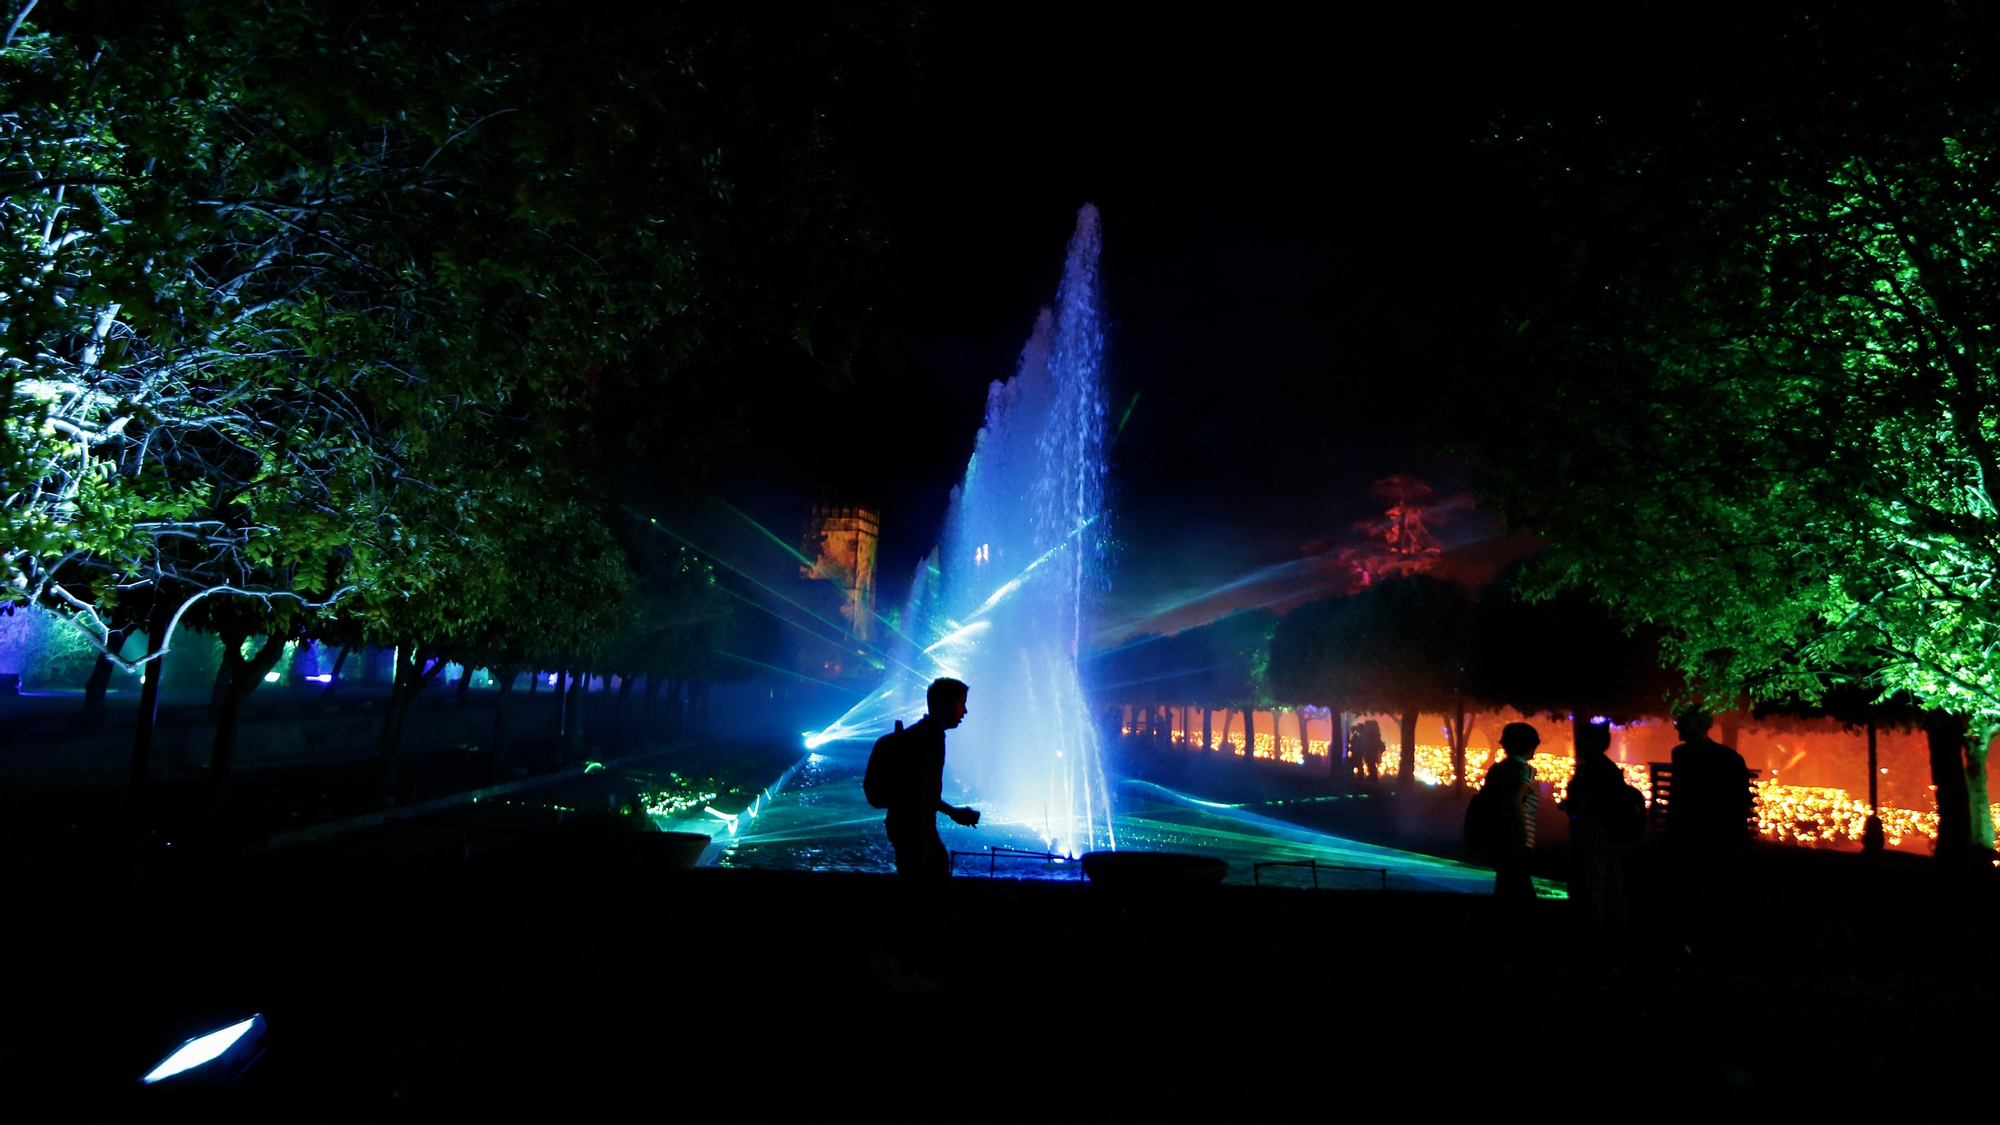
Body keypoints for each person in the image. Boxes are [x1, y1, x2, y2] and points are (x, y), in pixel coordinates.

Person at [1665, 709, 1751, 952]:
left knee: (1706, 891)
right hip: (1697, 835)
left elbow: (1735, 801)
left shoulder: (1722, 759)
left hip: (1712, 836)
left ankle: (1705, 942)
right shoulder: (1686, 754)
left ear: (1699, 726)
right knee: (1696, 891)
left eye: (1682, 723)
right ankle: (1699, 941)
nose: (1678, 728)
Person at [881, 677, 981, 879]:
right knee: (929, 894)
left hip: (911, 829)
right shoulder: (929, 739)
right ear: (945, 706)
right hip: (916, 831)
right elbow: (917, 791)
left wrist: (952, 811)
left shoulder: (924, 735)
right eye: (961, 704)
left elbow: (922, 790)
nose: (965, 711)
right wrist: (922, 843)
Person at [1561, 719, 1632, 945]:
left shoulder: (1588, 771)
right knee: (1612, 887)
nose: (1577, 744)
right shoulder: (1610, 769)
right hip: (1612, 833)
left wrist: (1569, 806)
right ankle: (1616, 937)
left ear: (1592, 742)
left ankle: (1593, 939)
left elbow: (1580, 804)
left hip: (1593, 831)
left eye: (1581, 740)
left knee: (1590, 886)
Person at [1486, 722, 1542, 901]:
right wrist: (1522, 835)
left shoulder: (1497, 770)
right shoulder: (1524, 769)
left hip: (1496, 835)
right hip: (1516, 839)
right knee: (1520, 893)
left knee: (1505, 888)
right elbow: (1515, 798)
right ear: (1529, 745)